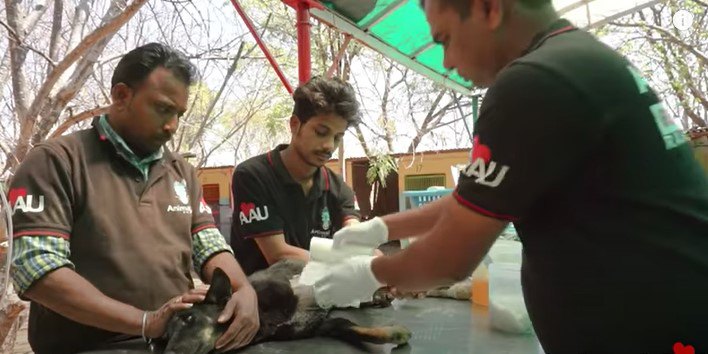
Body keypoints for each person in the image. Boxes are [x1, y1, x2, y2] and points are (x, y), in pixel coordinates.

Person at [312, 0, 708, 352]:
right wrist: (381, 228)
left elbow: (450, 259)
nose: (447, 60)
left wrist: (369, 274)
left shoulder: (533, 81)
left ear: (489, 8)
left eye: (445, 38)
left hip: (654, 331)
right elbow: (480, 198)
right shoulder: (573, 59)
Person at [9, 43, 259, 354]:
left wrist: (244, 291)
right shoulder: (57, 162)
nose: (172, 126)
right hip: (88, 346)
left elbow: (210, 246)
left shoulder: (180, 171)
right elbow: (37, 271)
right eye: (163, 109)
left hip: (173, 339)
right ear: (121, 96)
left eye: (179, 114)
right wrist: (144, 321)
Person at [230, 76, 362, 276]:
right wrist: (350, 261)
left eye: (337, 138)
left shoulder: (338, 188)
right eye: (321, 132)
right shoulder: (252, 176)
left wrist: (369, 253)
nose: (329, 146)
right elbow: (278, 255)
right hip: (262, 300)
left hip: (323, 298)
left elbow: (355, 237)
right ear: (294, 125)